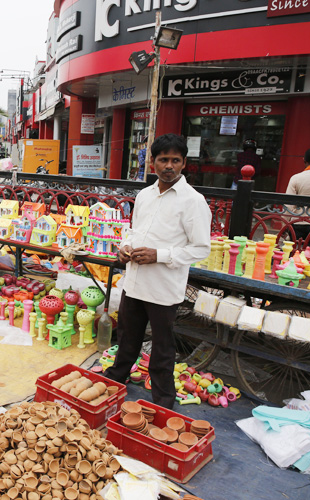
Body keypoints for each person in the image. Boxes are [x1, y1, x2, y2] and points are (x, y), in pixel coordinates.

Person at [104, 134, 211, 410]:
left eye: (176, 160)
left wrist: (159, 255)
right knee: (127, 338)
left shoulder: (193, 201)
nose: (169, 166)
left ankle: (164, 402)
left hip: (163, 288)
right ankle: (116, 379)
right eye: (164, 160)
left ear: (184, 163)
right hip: (135, 282)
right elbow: (134, 231)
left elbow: (201, 248)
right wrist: (125, 247)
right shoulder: (144, 195)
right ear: (153, 163)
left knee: (162, 350)